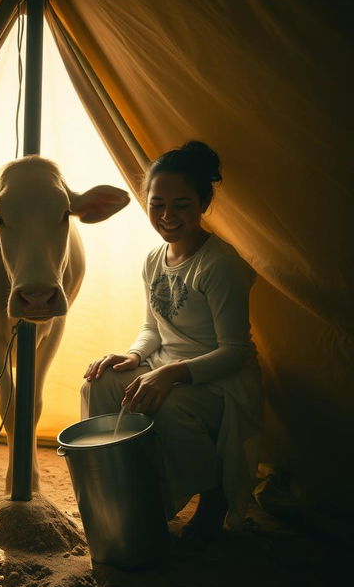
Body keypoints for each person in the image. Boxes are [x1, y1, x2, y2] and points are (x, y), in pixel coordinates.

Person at [81, 141, 263, 540]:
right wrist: (132, 356)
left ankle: (212, 494)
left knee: (167, 405)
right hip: (165, 364)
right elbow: (153, 328)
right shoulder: (152, 259)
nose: (167, 216)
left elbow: (235, 352)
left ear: (202, 204)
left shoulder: (220, 265)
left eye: (180, 205)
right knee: (98, 382)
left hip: (219, 380)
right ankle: (118, 489)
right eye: (157, 203)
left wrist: (171, 375)